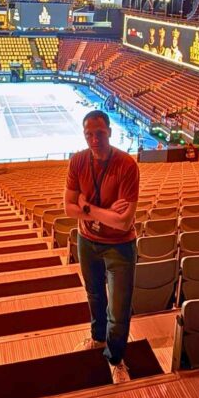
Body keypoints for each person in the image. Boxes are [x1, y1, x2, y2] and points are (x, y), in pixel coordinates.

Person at [64, 110, 139, 383]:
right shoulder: (78, 161)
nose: (94, 140)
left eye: (99, 133)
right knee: (94, 295)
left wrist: (87, 207)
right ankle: (97, 338)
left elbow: (123, 222)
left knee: (119, 309)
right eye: (88, 135)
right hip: (87, 241)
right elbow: (68, 207)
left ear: (110, 131)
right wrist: (97, 212)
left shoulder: (127, 165)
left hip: (120, 246)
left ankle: (116, 358)